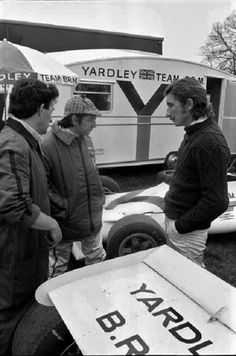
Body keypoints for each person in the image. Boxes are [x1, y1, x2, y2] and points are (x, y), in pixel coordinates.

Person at [0, 78, 62, 355]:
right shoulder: (13, 143)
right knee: (9, 315)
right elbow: (13, 204)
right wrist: (51, 223)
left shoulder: (25, 140)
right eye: (51, 109)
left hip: (26, 250)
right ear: (40, 109)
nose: (53, 116)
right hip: (14, 256)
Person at [164, 77, 230, 266]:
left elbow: (217, 201)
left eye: (171, 105)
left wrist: (179, 226)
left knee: (186, 284)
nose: (167, 113)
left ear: (189, 104)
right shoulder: (194, 133)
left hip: (186, 233)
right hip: (179, 227)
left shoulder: (209, 141)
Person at [41, 95, 106, 277]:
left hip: (93, 218)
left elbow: (92, 172)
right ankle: (52, 305)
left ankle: (96, 297)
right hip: (64, 222)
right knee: (57, 267)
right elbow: (41, 187)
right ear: (75, 119)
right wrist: (62, 207)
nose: (95, 124)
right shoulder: (47, 145)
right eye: (91, 119)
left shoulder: (84, 138)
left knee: (96, 261)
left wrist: (99, 197)